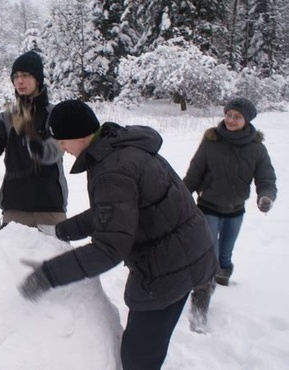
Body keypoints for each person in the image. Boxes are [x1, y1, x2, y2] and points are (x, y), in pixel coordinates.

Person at [18, 100, 217, 370]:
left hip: (168, 268)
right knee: (145, 349)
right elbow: (114, 212)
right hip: (187, 251)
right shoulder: (119, 148)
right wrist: (63, 230)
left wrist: (47, 275)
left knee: (138, 357)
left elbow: (109, 248)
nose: (62, 149)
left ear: (80, 135)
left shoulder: (112, 169)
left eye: (63, 142)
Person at [0, 51, 67, 228]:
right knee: (7, 256)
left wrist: (35, 143)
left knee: (58, 256)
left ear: (38, 78)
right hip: (15, 207)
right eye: (15, 77)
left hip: (50, 206)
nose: (19, 81)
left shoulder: (54, 114)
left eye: (25, 75)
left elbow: (55, 150)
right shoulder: (8, 118)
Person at [183, 97, 277, 286]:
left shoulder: (257, 149)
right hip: (207, 208)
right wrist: (180, 196)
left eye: (237, 116)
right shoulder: (211, 142)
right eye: (228, 115)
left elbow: (266, 179)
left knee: (225, 255)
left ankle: (223, 279)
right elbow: (194, 173)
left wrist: (266, 197)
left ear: (247, 120)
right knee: (210, 252)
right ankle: (203, 291)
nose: (231, 120)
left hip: (235, 211)